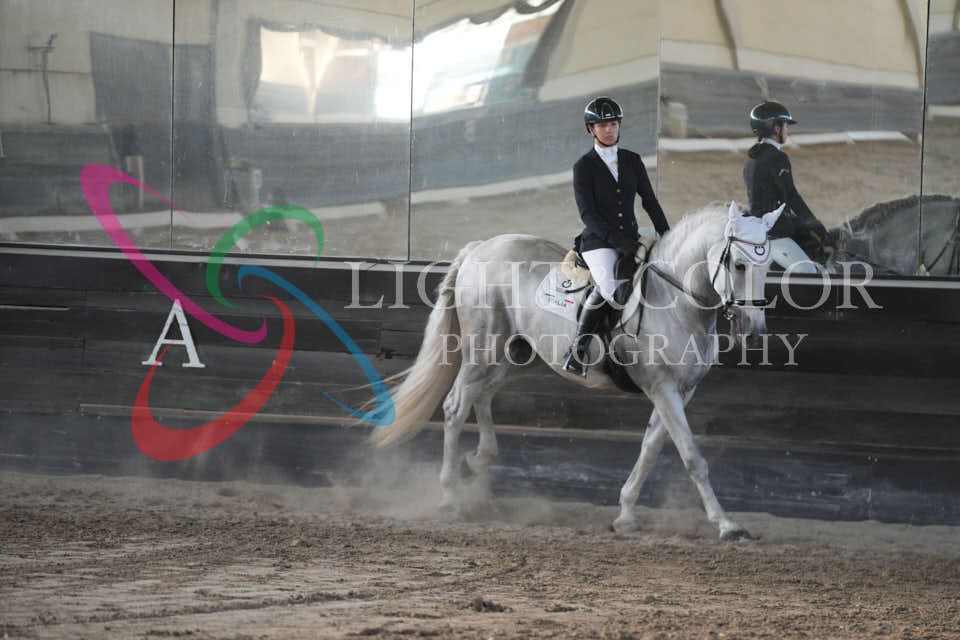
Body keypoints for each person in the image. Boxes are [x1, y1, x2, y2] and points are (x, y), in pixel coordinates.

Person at [563, 96, 670, 377]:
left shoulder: (632, 160)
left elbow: (649, 201)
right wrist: (617, 241)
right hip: (598, 242)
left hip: (631, 238)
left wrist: (666, 232)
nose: (609, 130)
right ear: (591, 129)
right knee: (609, 287)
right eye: (602, 126)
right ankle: (577, 350)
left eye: (613, 124)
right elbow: (588, 214)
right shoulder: (583, 166)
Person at [743, 101, 835, 264]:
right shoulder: (778, 158)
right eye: (786, 125)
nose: (787, 130)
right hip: (775, 231)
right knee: (812, 270)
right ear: (776, 128)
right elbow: (792, 198)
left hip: (757, 228)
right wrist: (818, 229)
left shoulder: (751, 159)